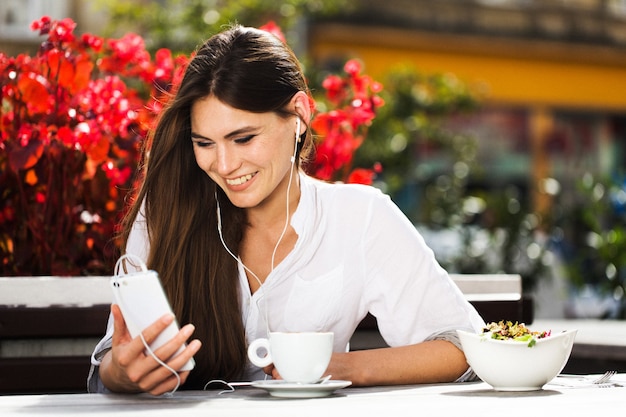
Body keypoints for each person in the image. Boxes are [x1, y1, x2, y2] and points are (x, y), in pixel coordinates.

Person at [88, 24, 485, 396]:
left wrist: (340, 368)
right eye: (204, 143)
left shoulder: (359, 218)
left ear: (298, 115)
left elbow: (462, 345)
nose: (224, 165)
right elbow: (110, 364)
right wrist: (119, 372)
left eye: (243, 138)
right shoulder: (166, 213)